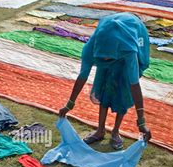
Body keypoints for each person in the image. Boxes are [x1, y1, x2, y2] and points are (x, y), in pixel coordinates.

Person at [58, 12, 152, 150]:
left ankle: (115, 131)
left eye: (109, 59)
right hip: (110, 44)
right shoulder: (90, 49)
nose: (106, 62)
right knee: (104, 88)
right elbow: (82, 76)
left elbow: (134, 85)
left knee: (123, 90)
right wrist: (69, 105)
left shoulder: (129, 51)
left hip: (132, 33)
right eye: (103, 59)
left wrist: (141, 122)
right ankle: (100, 130)